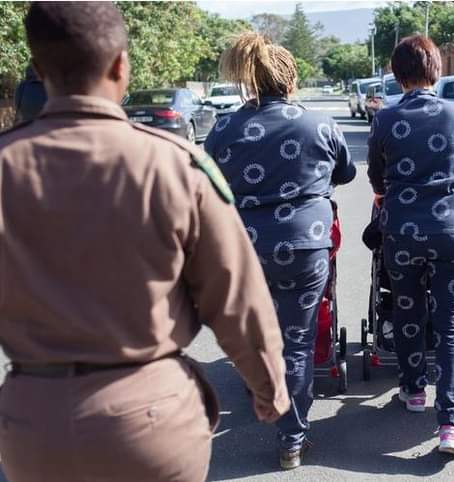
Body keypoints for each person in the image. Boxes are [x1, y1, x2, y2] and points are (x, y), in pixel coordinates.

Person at [0, 4, 289, 482]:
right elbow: (236, 297)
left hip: (34, 428)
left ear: (37, 68)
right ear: (120, 65)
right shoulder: (176, 164)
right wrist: (269, 389)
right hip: (151, 422)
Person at [204, 32, 356, 469]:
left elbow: (206, 182)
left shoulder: (225, 127)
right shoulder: (317, 124)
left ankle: (261, 387)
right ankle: (292, 437)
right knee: (299, 342)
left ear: (252, 80)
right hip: (305, 244)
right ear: (290, 80)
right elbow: (344, 171)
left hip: (243, 249)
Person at [367, 35, 454, 456]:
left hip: (403, 233)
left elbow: (378, 179)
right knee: (452, 326)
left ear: (396, 76)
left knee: (409, 309)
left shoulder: (385, 120)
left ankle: (414, 391)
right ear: (438, 69)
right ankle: (451, 424)